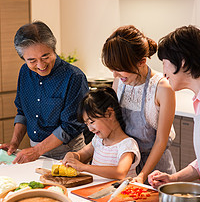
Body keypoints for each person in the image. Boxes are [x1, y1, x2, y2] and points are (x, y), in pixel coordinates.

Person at [0, 21, 89, 163]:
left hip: (69, 154)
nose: (41, 65)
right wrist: (14, 143)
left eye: (45, 57)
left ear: (54, 49)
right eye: (32, 61)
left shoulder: (74, 77)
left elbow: (70, 126)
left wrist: (37, 151)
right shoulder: (24, 72)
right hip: (35, 153)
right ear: (23, 58)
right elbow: (22, 111)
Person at [101, 25, 176, 183]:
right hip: (126, 167)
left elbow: (161, 141)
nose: (115, 74)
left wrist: (142, 175)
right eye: (112, 69)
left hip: (155, 173)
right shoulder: (119, 82)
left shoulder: (162, 88)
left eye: (120, 69)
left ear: (142, 61)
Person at [148, 25, 200, 188]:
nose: (163, 73)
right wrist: (173, 178)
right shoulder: (197, 100)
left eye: (165, 62)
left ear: (182, 61)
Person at [62, 87, 140, 179]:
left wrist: (84, 167)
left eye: (91, 122)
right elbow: (81, 155)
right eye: (87, 124)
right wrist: (71, 155)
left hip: (118, 192)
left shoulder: (127, 144)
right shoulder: (98, 140)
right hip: (96, 190)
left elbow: (120, 172)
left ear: (109, 113)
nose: (90, 129)